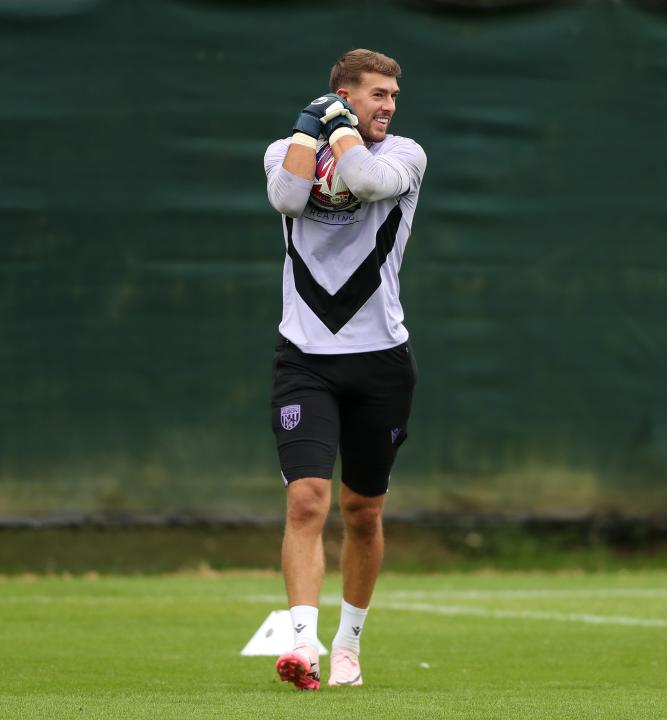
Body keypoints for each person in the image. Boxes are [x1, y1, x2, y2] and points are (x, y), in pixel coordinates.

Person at [262, 49, 427, 690]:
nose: (388, 105)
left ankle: (348, 644)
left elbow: (365, 184)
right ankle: (302, 645)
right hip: (303, 359)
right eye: (376, 94)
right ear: (343, 93)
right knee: (307, 501)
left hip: (382, 362)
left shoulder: (403, 155)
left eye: (392, 96)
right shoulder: (286, 149)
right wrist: (309, 131)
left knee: (362, 512)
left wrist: (341, 131)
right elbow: (287, 198)